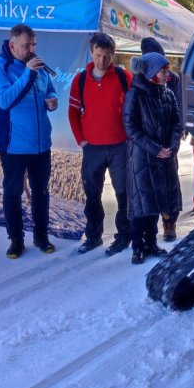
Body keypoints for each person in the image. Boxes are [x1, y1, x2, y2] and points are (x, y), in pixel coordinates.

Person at [0, 24, 58, 259]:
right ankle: (16, 239)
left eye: (34, 44)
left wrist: (52, 99)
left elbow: (49, 89)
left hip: (41, 144)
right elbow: (5, 100)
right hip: (14, 145)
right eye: (27, 45)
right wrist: (28, 73)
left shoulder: (39, 67)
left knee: (41, 191)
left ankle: (41, 235)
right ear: (12, 45)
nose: (31, 49)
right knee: (13, 192)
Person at [68, 33, 133, 255]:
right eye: (98, 55)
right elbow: (73, 112)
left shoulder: (124, 77)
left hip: (120, 147)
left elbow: (136, 108)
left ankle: (124, 236)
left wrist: (131, 136)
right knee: (92, 194)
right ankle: (93, 236)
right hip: (93, 148)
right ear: (91, 52)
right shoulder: (81, 80)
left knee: (123, 193)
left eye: (106, 56)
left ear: (113, 55)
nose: (102, 60)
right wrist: (81, 140)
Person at [123, 52, 182, 264]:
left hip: (163, 158)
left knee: (156, 203)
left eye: (167, 70)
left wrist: (172, 147)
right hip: (142, 159)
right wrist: (155, 148)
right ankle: (137, 247)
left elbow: (177, 123)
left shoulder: (168, 94)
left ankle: (152, 243)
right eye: (163, 70)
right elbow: (131, 128)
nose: (168, 74)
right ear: (150, 73)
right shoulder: (135, 95)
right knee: (141, 206)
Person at [139, 37, 181, 242]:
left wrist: (173, 143)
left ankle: (169, 223)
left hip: (169, 143)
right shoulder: (138, 83)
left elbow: (177, 114)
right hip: (148, 146)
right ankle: (150, 231)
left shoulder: (172, 79)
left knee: (170, 185)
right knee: (151, 186)